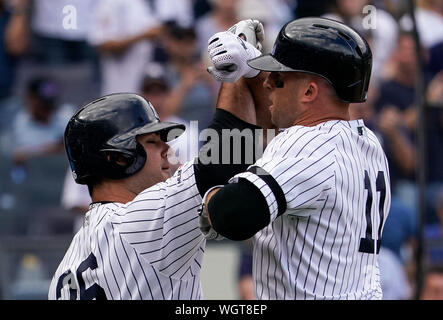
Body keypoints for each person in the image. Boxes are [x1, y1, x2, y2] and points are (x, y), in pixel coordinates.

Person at [48, 19, 272, 300]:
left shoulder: (65, 269)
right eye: (153, 142)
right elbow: (225, 162)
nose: (168, 150)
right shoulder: (139, 222)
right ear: (118, 158)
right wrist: (239, 70)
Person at [200, 17, 392, 299]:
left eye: (278, 79)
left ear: (309, 91)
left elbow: (231, 215)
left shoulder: (309, 143)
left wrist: (208, 199)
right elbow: (278, 123)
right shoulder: (368, 142)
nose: (267, 84)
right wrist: (250, 68)